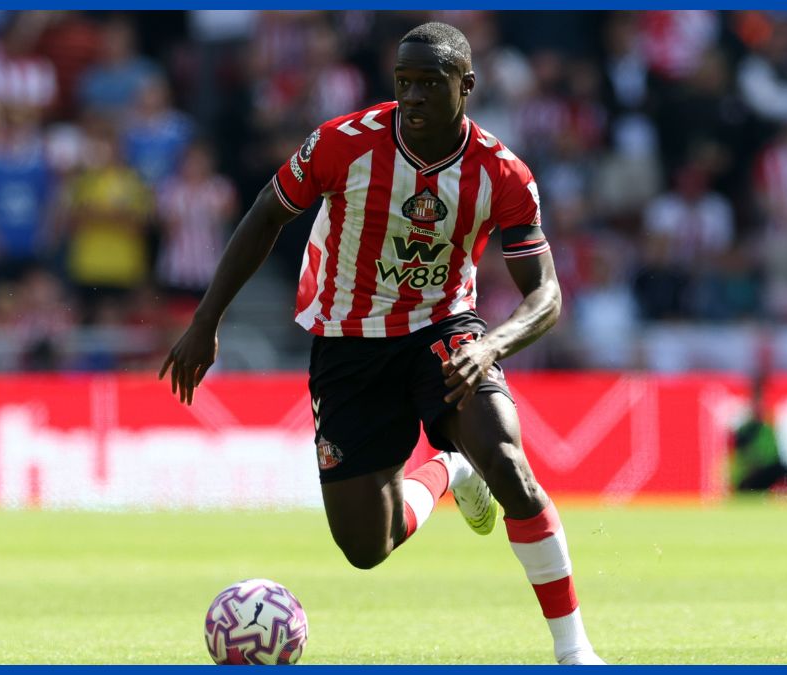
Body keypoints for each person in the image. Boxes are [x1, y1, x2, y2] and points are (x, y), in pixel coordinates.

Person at [159, 23, 603, 665]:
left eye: (430, 83)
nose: (414, 96)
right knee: (368, 546)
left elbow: (547, 295)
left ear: (467, 87)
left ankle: (574, 650)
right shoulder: (344, 144)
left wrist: (491, 346)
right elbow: (266, 212)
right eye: (404, 82)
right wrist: (207, 320)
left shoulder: (502, 173)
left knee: (509, 463)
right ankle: (449, 468)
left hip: (443, 330)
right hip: (349, 341)